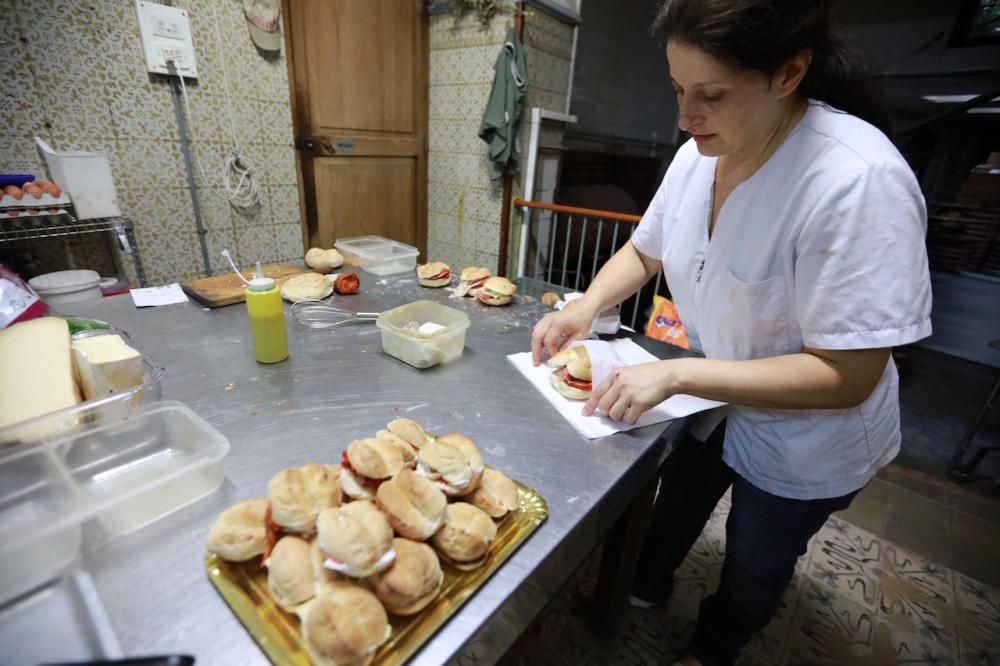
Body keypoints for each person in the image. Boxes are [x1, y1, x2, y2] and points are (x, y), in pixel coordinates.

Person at [529, 0, 932, 664]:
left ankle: (716, 645)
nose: (685, 118)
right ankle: (643, 584)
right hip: (717, 393)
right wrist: (584, 307)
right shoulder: (697, 157)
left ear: (789, 73)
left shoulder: (858, 182)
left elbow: (847, 374)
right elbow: (645, 251)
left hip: (809, 432)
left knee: (754, 556)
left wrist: (678, 372)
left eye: (710, 96)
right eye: (679, 91)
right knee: (678, 497)